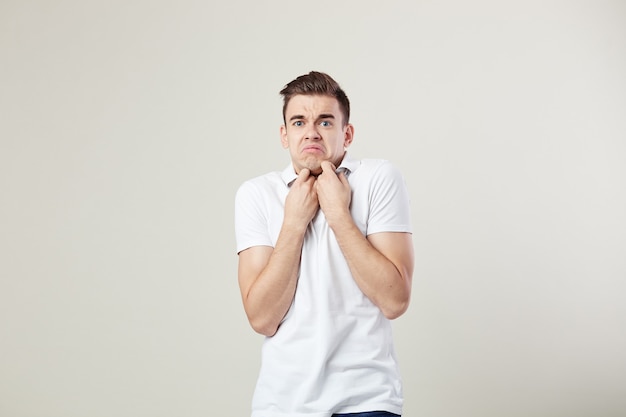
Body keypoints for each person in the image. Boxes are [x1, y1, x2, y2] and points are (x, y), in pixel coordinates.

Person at [235, 71, 414, 417]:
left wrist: (338, 214)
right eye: (299, 121)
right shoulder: (256, 194)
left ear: (347, 134)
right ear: (284, 135)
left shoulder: (378, 179)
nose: (312, 132)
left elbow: (394, 300)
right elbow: (262, 318)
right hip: (282, 403)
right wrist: (294, 223)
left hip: (366, 400)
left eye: (325, 122)